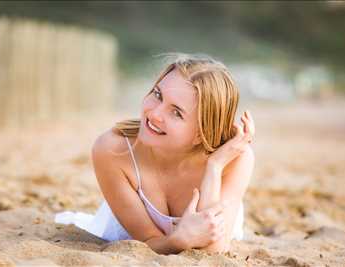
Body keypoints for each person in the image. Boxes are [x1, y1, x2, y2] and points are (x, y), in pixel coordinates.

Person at [55, 53, 255, 255]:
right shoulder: (113, 149)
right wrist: (179, 239)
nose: (155, 114)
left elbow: (213, 250)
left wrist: (214, 167)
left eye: (176, 112)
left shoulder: (235, 158)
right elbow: (147, 241)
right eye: (158, 95)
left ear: (201, 134)